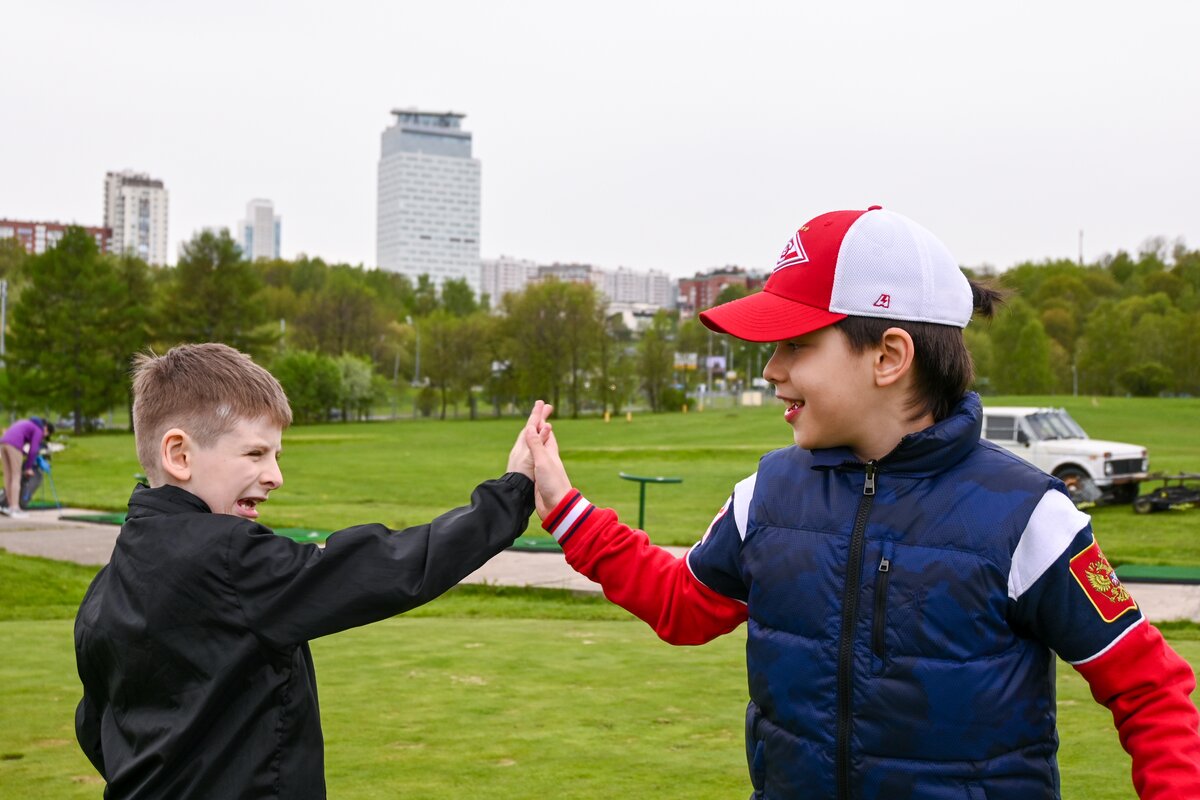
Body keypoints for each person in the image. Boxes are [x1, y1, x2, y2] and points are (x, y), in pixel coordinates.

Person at [521, 206, 1200, 799]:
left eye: (795, 344)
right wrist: (563, 503)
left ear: (889, 357)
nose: (770, 371)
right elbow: (682, 606)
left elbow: (1151, 693)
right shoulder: (768, 495)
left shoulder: (1029, 517)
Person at [75, 343, 545, 799]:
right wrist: (510, 495)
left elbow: (97, 726)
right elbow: (381, 569)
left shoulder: (106, 586)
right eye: (255, 454)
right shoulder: (227, 557)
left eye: (276, 456)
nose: (275, 475)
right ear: (179, 455)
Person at [0, 416, 53, 518]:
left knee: (8, 477)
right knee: (16, 477)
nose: (44, 436)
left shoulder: (25, 423)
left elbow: (13, 438)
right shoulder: (39, 429)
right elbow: (33, 450)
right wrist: (28, 467)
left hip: (2, 444)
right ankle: (14, 508)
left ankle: (8, 507)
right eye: (46, 434)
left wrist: (23, 452)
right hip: (13, 445)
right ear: (46, 428)